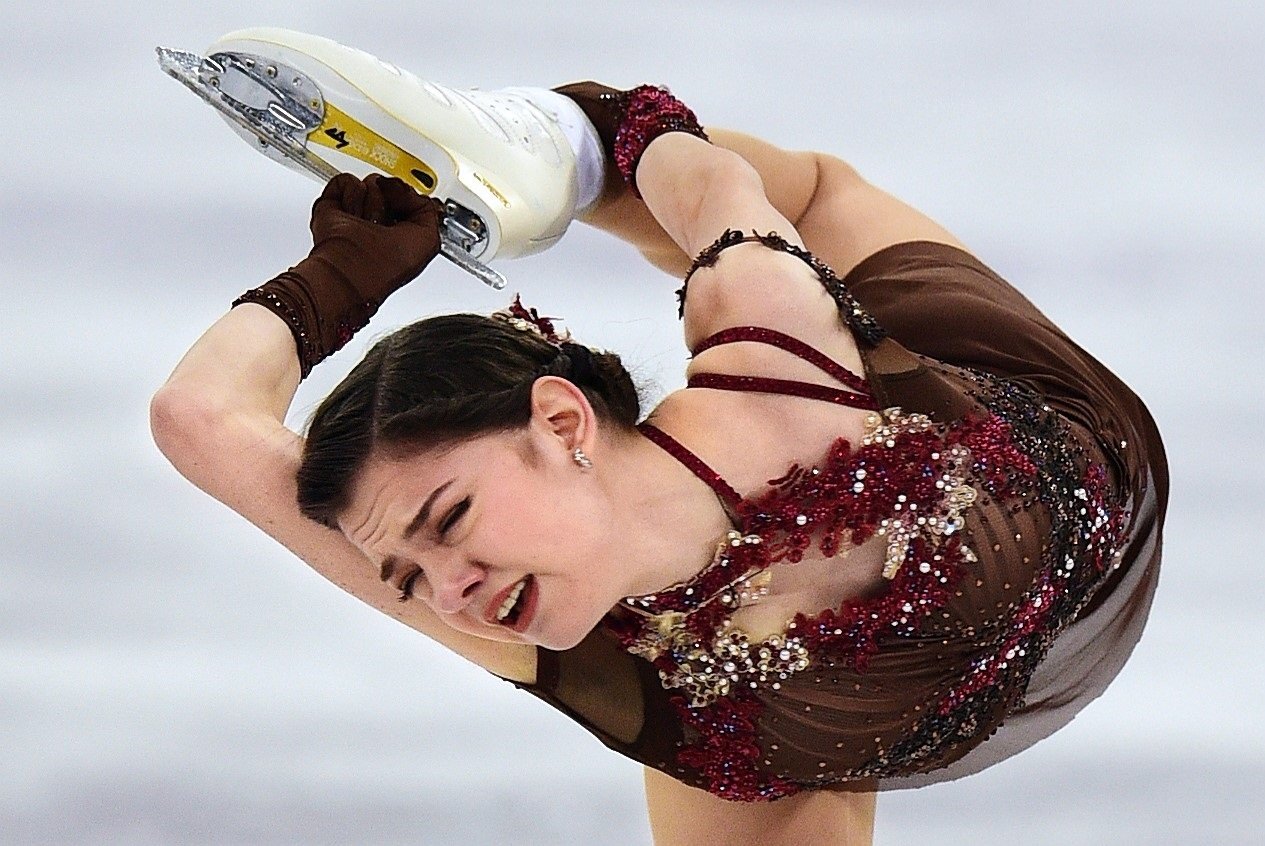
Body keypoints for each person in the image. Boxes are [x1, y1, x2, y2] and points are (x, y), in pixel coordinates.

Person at [151, 28, 1168, 846]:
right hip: (789, 739)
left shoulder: (776, 357)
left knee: (803, 197)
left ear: (560, 421)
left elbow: (663, 140)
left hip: (1056, 458)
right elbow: (197, 421)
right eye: (408, 578)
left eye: (450, 518)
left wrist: (582, 145)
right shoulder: (528, 624)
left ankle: (540, 155)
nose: (449, 592)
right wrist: (337, 278)